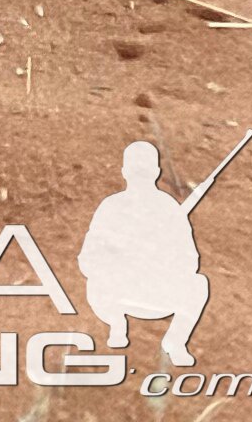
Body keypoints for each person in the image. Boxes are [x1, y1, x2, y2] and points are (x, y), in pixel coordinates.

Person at [79, 138, 218, 366]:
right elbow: (87, 260)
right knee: (96, 282)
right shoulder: (112, 207)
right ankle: (117, 324)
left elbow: (190, 261)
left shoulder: (168, 209)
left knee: (198, 283)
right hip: (118, 292)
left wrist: (157, 259)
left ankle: (175, 342)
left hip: (155, 292)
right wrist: (122, 257)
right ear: (156, 171)